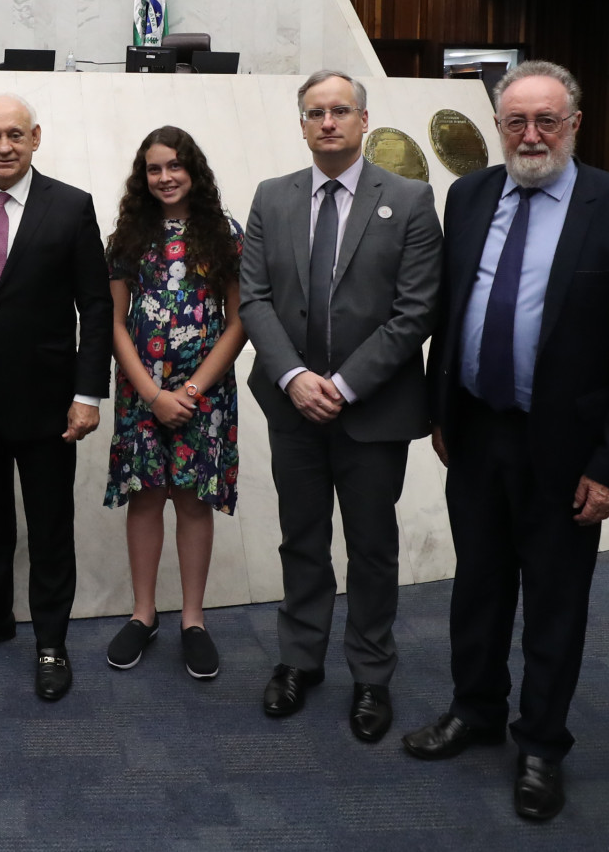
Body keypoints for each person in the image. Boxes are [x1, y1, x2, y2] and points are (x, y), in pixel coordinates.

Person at [404, 61, 609, 822]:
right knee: (477, 585)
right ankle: (474, 707)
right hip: (477, 432)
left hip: (567, 450)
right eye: (514, 121)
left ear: (573, 123)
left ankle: (542, 744)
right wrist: (440, 410)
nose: (528, 135)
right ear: (497, 125)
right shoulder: (470, 194)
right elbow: (452, 311)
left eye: (545, 121)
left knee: (555, 602)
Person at [239, 70, 441, 742]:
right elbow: (254, 299)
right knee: (301, 538)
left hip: (373, 410)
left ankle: (371, 674)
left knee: (371, 546)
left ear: (362, 121)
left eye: (339, 110)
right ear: (301, 124)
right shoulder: (272, 197)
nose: (327, 121)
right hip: (291, 405)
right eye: (314, 112)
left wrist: (344, 384)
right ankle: (300, 659)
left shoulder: (410, 198)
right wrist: (295, 375)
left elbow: (415, 311)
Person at [0, 93, 113, 700]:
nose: (3, 147)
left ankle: (51, 641)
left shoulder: (72, 206)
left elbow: (97, 306)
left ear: (35, 138)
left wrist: (89, 394)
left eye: (14, 135)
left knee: (51, 527)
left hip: (51, 405)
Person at [102, 127, 248, 681]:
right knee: (145, 499)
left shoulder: (227, 234)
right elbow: (114, 322)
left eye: (174, 167)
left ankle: (192, 619)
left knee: (191, 501)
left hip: (203, 397)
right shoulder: (127, 238)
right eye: (154, 169)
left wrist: (188, 393)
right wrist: (151, 394)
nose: (164, 178)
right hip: (142, 393)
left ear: (194, 171)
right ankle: (144, 614)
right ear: (143, 177)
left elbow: (239, 323)